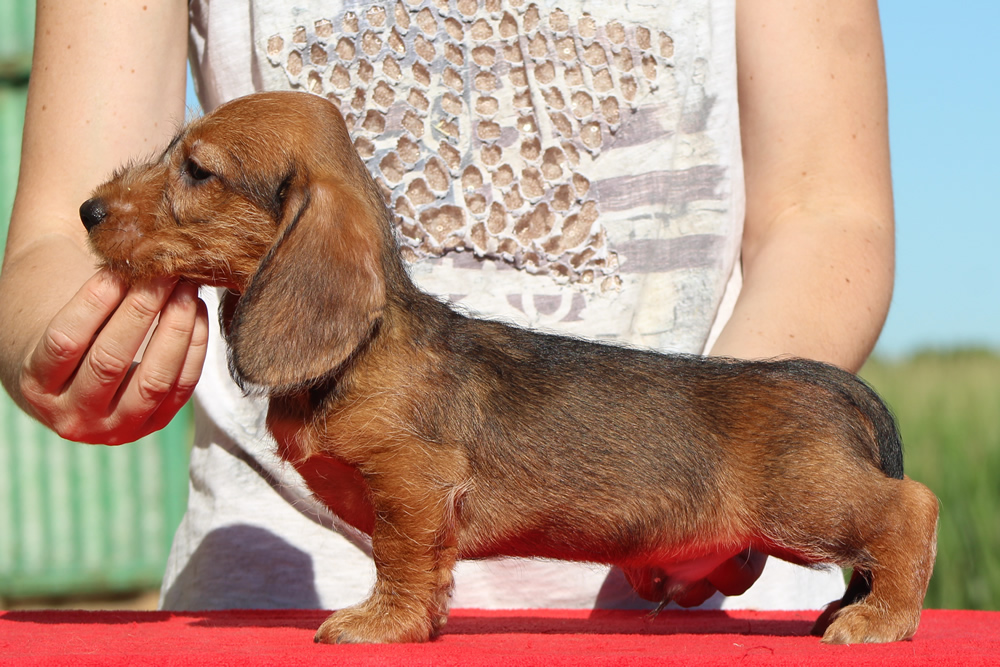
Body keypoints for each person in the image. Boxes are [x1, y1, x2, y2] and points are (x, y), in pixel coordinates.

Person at [0, 0, 894, 612]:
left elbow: (830, 214)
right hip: (281, 599)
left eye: (193, 171)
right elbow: (60, 232)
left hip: (713, 600)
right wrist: (64, 337)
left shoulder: (337, 249)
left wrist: (708, 478)